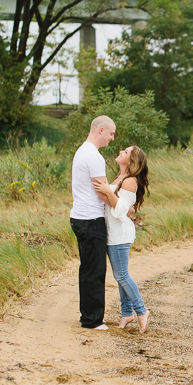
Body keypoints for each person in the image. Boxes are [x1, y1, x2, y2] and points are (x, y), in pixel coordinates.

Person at [93, 146, 151, 332]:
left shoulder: (130, 181)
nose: (121, 152)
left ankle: (141, 311)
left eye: (125, 152)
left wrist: (108, 192)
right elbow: (122, 207)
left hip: (120, 234)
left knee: (121, 275)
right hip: (113, 233)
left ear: (131, 161)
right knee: (120, 276)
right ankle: (127, 313)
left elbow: (119, 211)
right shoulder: (119, 178)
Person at [69, 115, 115, 330]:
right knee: (94, 270)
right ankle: (92, 320)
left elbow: (103, 188)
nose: (112, 139)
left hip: (80, 216)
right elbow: (103, 193)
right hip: (91, 219)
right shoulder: (94, 157)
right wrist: (121, 207)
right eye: (111, 134)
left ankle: (88, 316)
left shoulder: (82, 151)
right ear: (101, 130)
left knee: (87, 268)